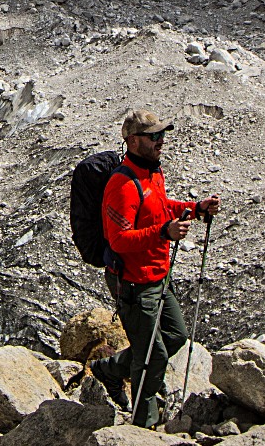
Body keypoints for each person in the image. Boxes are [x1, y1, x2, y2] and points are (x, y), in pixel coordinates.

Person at [86, 110, 218, 429]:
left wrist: (193, 209)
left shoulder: (152, 173)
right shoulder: (123, 184)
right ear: (133, 141)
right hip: (134, 283)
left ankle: (109, 369)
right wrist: (162, 233)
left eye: (162, 135)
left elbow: (160, 208)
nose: (161, 141)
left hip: (158, 275)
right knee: (152, 357)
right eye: (154, 136)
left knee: (176, 336)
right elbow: (119, 240)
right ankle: (144, 426)